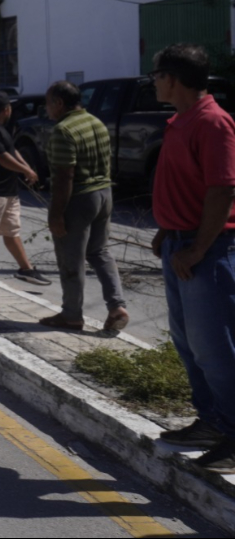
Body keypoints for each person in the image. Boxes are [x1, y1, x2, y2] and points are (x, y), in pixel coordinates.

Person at [149, 44, 235, 474]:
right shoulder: (177, 121)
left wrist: (198, 247)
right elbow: (187, 184)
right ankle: (212, 421)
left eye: (157, 75)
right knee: (189, 343)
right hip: (178, 245)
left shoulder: (213, 122)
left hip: (206, 250)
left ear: (173, 79)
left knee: (215, 347)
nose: (154, 82)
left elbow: (222, 190)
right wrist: (167, 231)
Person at [41, 80, 127, 333]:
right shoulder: (96, 122)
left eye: (48, 103)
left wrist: (56, 214)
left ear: (58, 103)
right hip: (104, 194)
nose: (46, 109)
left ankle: (71, 315)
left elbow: (64, 176)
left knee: (71, 259)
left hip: (79, 199)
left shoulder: (63, 130)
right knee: (100, 252)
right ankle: (117, 306)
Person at [0, 92, 51, 286]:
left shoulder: (1, 129)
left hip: (8, 191)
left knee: (11, 232)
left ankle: (26, 269)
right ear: (6, 110)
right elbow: (1, 157)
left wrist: (27, 168)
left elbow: (12, 151)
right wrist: (26, 170)